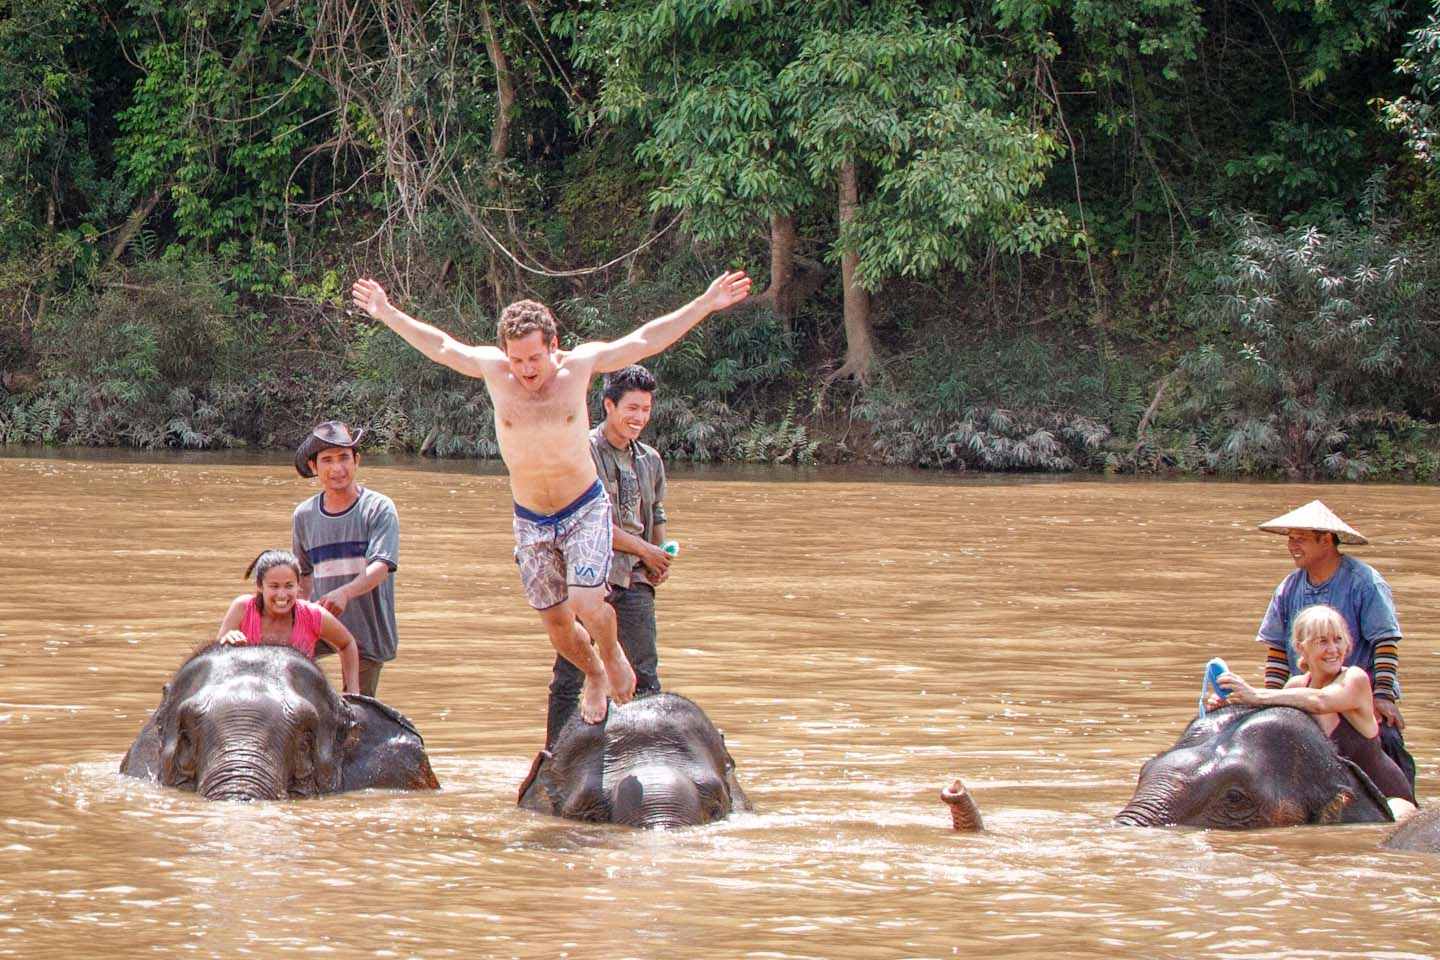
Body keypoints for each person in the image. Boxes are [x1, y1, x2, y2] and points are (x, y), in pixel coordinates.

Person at [350, 271, 751, 724]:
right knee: (558, 625)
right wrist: (386, 312)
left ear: (553, 345)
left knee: (585, 602)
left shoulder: (578, 367)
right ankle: (594, 673)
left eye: (535, 358)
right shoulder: (494, 370)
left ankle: (612, 654)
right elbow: (441, 346)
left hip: (583, 508)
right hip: (531, 518)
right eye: (518, 359)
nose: (527, 370)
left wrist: (704, 303)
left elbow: (643, 340)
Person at [544, 364, 670, 746]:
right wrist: (646, 549)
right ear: (609, 405)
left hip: (634, 577)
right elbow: (588, 523)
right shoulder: (581, 453)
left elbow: (656, 512)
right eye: (632, 408)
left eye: (645, 410)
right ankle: (555, 756)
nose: (639, 418)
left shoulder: (650, 460)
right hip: (586, 577)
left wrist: (659, 556)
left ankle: (647, 755)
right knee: (570, 674)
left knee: (645, 676)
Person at [1252, 499, 1415, 788]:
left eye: (1300, 539)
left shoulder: (1364, 582)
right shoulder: (1288, 588)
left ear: (1326, 540)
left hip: (1355, 700)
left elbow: (1385, 642)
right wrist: (1272, 702)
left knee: (1386, 742)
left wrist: (1382, 696)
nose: (1292, 546)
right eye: (1290, 539)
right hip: (1306, 695)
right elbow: (1276, 652)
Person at [1219, 604, 1417, 820]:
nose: (1333, 649)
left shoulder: (1354, 678)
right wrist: (1228, 704)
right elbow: (1262, 726)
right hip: (1333, 802)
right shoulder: (1295, 687)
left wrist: (1255, 695)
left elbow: (1320, 701)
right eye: (1322, 641)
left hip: (1386, 802)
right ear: (1301, 647)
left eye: (1338, 639)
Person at [292, 421, 400, 698]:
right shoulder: (304, 515)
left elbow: (381, 567)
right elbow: (303, 575)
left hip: (368, 628)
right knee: (289, 679)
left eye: (344, 458)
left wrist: (345, 593)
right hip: (321, 623)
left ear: (357, 461)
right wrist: (297, 617)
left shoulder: (378, 508)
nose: (337, 468)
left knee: (357, 707)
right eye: (327, 460)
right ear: (314, 466)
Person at [217, 549, 361, 695]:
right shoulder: (242, 608)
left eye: (289, 586)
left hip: (298, 698)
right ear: (260, 586)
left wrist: (352, 692)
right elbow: (216, 659)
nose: (282, 594)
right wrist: (227, 644)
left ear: (298, 586)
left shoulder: (312, 615)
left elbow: (347, 643)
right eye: (274, 586)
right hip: (251, 695)